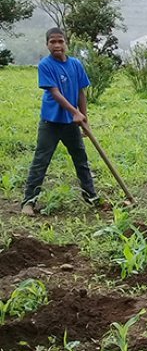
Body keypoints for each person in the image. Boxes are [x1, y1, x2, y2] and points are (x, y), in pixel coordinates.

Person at [21, 27, 98, 216]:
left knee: (81, 160)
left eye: (60, 41)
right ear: (47, 44)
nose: (57, 45)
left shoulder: (76, 65)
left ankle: (92, 197)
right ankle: (28, 203)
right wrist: (75, 112)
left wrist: (83, 117)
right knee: (41, 161)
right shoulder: (45, 65)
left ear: (66, 43)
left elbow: (81, 92)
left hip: (71, 123)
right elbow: (55, 93)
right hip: (51, 122)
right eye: (52, 42)